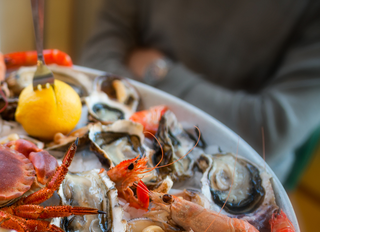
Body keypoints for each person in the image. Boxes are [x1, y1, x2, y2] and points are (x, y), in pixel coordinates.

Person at [80, 0, 319, 180]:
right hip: (113, 125)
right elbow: (100, 51)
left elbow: (269, 129)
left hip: (239, 166)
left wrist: (158, 71)